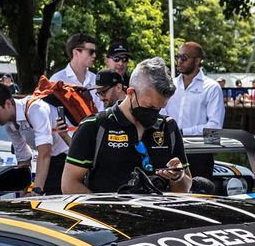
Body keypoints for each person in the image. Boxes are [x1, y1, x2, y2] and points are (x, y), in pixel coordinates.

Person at [63, 58, 189, 194]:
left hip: (156, 213)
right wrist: (103, 211)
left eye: (159, 108)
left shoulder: (168, 127)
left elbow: (185, 186)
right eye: (149, 106)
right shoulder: (94, 127)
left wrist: (178, 176)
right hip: (109, 213)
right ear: (130, 93)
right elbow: (69, 184)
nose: (154, 113)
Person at [0, 82, 68, 194]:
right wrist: (22, 196)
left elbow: (45, 153)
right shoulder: (9, 125)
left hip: (66, 157)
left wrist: (37, 190)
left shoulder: (36, 109)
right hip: (53, 160)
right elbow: (23, 160)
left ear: (8, 103)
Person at [170, 40, 226, 178]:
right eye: (177, 57)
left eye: (184, 58)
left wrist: (182, 132)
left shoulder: (212, 87)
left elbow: (215, 127)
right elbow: (161, 115)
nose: (179, 61)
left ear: (197, 61)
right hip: (171, 151)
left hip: (199, 153)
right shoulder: (171, 84)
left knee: (199, 196)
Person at [49, 33, 100, 109]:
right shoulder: (56, 81)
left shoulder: (96, 80)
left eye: (95, 52)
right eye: (91, 52)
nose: (94, 55)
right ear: (76, 52)